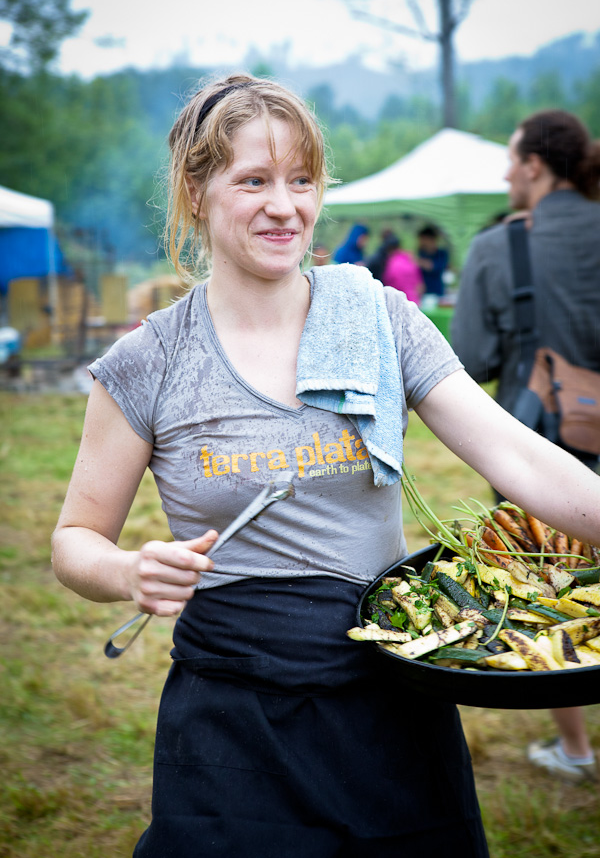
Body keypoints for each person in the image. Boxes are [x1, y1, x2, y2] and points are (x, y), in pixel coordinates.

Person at [51, 76, 600, 858]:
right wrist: (128, 571)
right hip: (234, 711)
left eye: (302, 180)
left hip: (390, 689)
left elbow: (515, 454)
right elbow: (74, 540)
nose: (286, 206)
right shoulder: (149, 361)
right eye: (254, 181)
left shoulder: (381, 320)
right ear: (196, 192)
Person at [451, 109, 600, 782]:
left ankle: (576, 749)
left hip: (539, 453)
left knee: (551, 586)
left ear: (535, 166)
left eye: (512, 159)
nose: (506, 173)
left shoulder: (500, 247)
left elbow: (470, 360)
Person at [380, 235, 424, 305]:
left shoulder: (392, 263)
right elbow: (420, 286)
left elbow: (388, 282)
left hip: (399, 302)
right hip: (414, 301)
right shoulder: (410, 260)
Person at [416, 224, 449, 297]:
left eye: (424, 239)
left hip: (437, 291)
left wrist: (421, 263)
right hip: (422, 292)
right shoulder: (421, 253)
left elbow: (434, 267)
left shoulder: (441, 254)